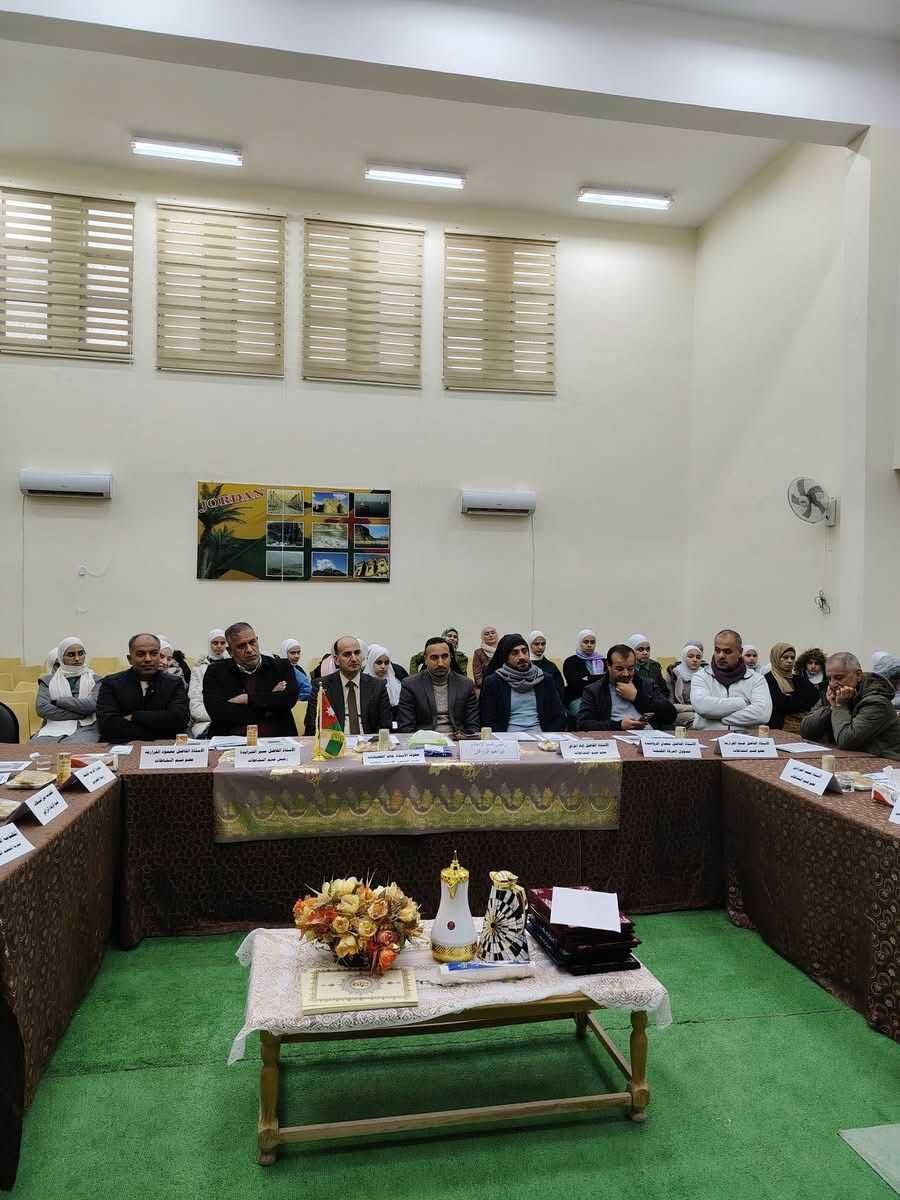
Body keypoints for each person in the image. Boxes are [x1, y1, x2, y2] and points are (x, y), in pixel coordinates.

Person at [203, 622, 299, 738]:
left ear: (257, 641)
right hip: (229, 741)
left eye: (252, 642)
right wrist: (270, 702)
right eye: (241, 646)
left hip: (278, 740)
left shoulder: (281, 667)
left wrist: (248, 698)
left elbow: (288, 700)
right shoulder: (215, 672)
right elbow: (218, 713)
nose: (249, 649)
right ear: (230, 651)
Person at [801, 652, 900, 759]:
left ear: (858, 675)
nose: (832, 684)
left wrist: (839, 706)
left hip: (885, 762)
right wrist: (831, 707)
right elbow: (806, 731)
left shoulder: (877, 701)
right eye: (829, 678)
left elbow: (846, 740)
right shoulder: (835, 693)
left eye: (839, 678)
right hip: (851, 757)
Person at [96, 633, 190, 741]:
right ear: (130, 659)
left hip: (162, 747)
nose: (148, 659)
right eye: (141, 654)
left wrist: (135, 716)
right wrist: (158, 728)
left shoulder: (174, 683)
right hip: (122, 745)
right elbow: (108, 726)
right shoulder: (112, 683)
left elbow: (179, 720)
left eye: (154, 653)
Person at [304, 635, 392, 736]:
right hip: (334, 742)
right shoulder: (322, 686)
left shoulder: (378, 686)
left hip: (369, 742)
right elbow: (312, 725)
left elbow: (385, 725)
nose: (354, 659)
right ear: (336, 660)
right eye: (347, 654)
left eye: (357, 653)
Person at [479, 633, 566, 733]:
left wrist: (547, 737)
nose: (522, 657)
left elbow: (559, 716)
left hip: (542, 736)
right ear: (505, 657)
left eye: (524, 651)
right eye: (515, 653)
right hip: (507, 737)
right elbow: (487, 720)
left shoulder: (544, 679)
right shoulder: (494, 682)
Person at [577, 644, 676, 731]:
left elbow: (670, 715)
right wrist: (619, 725)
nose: (626, 674)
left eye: (630, 669)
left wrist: (636, 697)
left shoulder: (646, 684)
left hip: (649, 736)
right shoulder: (594, 690)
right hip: (616, 737)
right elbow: (583, 724)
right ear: (608, 666)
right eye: (619, 669)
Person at [690, 629, 772, 731]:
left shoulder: (756, 679)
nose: (721, 655)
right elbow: (703, 707)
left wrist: (724, 719)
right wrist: (742, 703)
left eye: (727, 651)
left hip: (745, 737)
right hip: (707, 735)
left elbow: (762, 714)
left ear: (740, 652)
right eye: (717, 650)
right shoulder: (701, 676)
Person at [397, 637, 480, 735]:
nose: (440, 663)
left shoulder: (466, 684)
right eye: (434, 657)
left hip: (458, 738)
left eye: (445, 656)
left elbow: (473, 725)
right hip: (424, 740)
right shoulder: (410, 685)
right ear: (425, 659)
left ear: (451, 657)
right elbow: (406, 727)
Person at [32, 637, 103, 743]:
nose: (77, 658)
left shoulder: (95, 680)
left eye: (81, 653)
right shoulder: (48, 681)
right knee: (36, 745)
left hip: (86, 727)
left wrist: (59, 701)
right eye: (71, 655)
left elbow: (92, 704)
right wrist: (79, 714)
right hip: (53, 726)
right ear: (61, 657)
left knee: (75, 747)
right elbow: (43, 708)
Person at [762, 642, 816, 730]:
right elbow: (779, 704)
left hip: (804, 723)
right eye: (785, 657)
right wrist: (797, 700)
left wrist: (789, 699)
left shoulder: (799, 679)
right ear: (776, 658)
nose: (790, 661)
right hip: (779, 726)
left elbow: (814, 698)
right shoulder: (767, 679)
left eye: (792, 658)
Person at [188, 629, 229, 737]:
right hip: (205, 724)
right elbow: (195, 707)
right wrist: (223, 716)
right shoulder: (198, 669)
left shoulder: (233, 666)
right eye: (215, 643)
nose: (219, 646)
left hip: (232, 724)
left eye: (222, 643)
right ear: (209, 644)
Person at [563, 630, 605, 719]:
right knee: (585, 716)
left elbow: (609, 679)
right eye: (586, 642)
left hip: (601, 697)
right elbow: (576, 684)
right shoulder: (571, 661)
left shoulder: (603, 661)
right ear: (580, 643)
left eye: (592, 642)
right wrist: (600, 678)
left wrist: (589, 678)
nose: (589, 645)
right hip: (578, 697)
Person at [363, 643, 403, 728]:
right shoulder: (363, 683)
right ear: (371, 662)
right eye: (379, 662)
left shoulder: (395, 684)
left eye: (386, 663)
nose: (383, 666)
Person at [626, 634, 670, 698]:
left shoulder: (655, 666)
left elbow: (664, 690)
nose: (645, 653)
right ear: (631, 651)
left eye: (647, 649)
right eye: (640, 650)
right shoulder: (626, 668)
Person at [671, 643, 703, 727]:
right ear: (684, 658)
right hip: (680, 713)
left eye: (698, 657)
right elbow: (669, 705)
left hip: (702, 712)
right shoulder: (673, 674)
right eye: (690, 656)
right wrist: (694, 708)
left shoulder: (705, 674)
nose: (695, 660)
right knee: (699, 720)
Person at [528, 630, 565, 703]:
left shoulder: (551, 666)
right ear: (530, 645)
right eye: (536, 644)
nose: (540, 647)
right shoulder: (524, 664)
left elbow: (560, 688)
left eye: (543, 644)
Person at [472, 625, 499, 690]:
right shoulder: (478, 653)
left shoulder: (503, 650)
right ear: (482, 637)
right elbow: (478, 678)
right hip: (486, 688)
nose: (490, 635)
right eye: (487, 634)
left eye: (493, 633)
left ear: (497, 635)